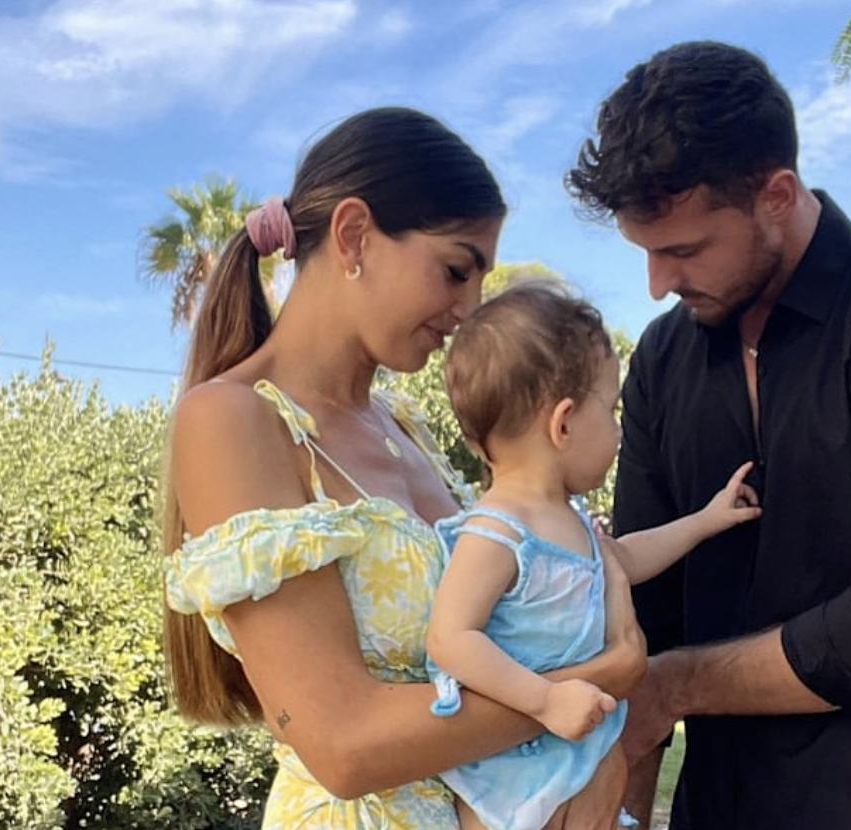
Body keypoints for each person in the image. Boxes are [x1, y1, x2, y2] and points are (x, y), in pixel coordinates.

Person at [566, 41, 851, 830]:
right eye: (645, 253)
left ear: (777, 195)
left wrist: (675, 684)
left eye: (683, 250)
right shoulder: (662, 361)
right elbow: (640, 620)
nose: (658, 284)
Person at [161, 107, 646, 830]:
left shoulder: (403, 427)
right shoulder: (234, 420)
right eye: (456, 269)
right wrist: (599, 679)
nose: (469, 308)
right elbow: (344, 747)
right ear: (354, 235)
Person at [423, 281, 761, 830]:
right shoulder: (496, 531)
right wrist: (543, 700)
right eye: (611, 409)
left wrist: (705, 520)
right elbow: (450, 638)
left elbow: (623, 557)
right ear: (563, 424)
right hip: (512, 780)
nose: (619, 430)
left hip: (572, 760)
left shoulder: (569, 520)